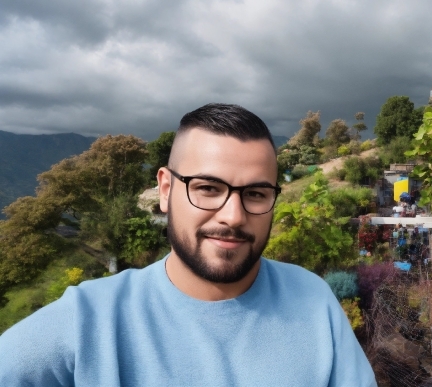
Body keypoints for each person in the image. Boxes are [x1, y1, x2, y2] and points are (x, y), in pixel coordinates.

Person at [0, 103, 377, 386]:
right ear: (165, 189)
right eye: (208, 188)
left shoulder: (312, 299)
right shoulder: (87, 321)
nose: (233, 216)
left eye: (257, 193)